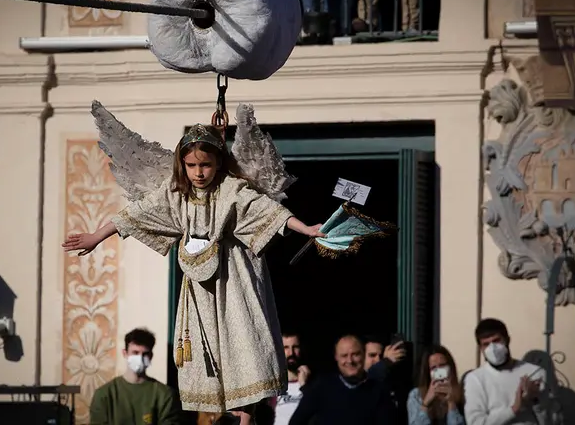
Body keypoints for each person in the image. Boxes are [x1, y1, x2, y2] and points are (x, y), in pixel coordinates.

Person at [63, 124, 325, 422]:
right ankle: (229, 410)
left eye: (205, 165)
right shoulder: (175, 194)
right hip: (199, 289)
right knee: (206, 348)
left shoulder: (231, 190)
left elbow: (269, 211)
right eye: (191, 165)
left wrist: (306, 229)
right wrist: (96, 236)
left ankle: (247, 414)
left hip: (232, 281)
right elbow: (135, 214)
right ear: (182, 164)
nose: (198, 173)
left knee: (243, 339)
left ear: (218, 162)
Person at [289, 335, 396, 424]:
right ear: (336, 357)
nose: (350, 360)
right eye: (344, 356)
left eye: (355, 354)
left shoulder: (379, 392)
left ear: (364, 354)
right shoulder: (321, 388)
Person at [89, 328, 182, 425]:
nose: (140, 358)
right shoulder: (104, 395)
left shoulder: (165, 395)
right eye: (135, 353)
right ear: (125, 353)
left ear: (151, 356)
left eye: (145, 354)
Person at [464, 318, 547, 425]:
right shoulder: (475, 379)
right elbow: (476, 422)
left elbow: (550, 419)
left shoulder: (534, 372)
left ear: (507, 340)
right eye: (486, 344)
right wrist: (514, 409)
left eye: (496, 340)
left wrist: (535, 401)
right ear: (480, 348)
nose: (492, 348)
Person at [407, 345, 465, 425]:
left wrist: (451, 402)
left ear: (450, 367)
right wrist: (426, 403)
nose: (439, 371)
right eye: (434, 368)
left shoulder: (462, 392)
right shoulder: (416, 395)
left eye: (442, 365)